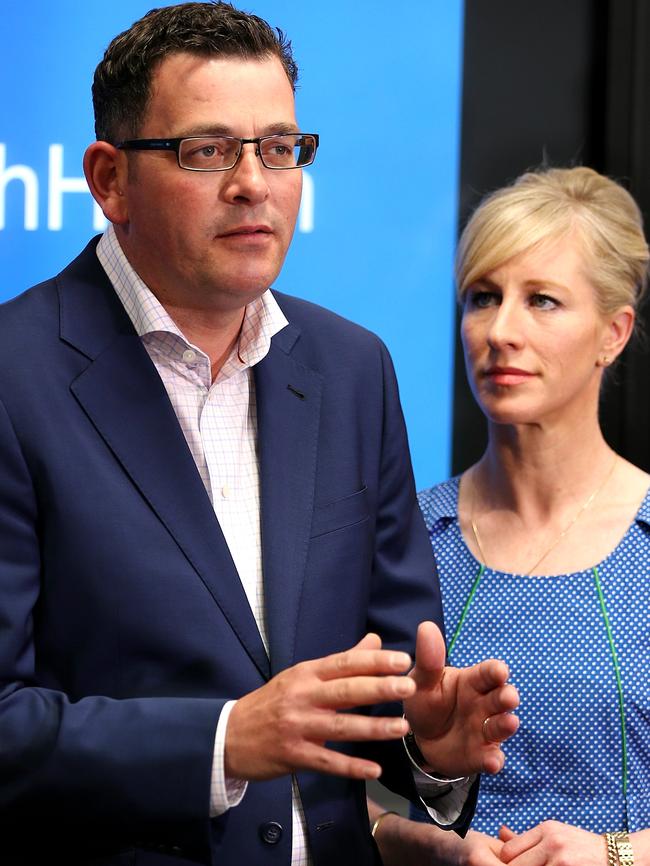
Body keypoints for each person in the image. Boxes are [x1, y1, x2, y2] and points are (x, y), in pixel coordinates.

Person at [0, 4, 519, 865]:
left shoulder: (354, 368)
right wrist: (224, 741)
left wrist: (428, 745)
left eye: (279, 148)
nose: (253, 183)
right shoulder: (17, 377)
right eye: (206, 151)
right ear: (108, 179)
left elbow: (386, 682)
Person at [369, 165, 650, 866]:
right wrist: (424, 847)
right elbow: (321, 791)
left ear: (613, 333)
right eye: (483, 298)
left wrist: (617, 855)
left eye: (543, 301)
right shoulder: (400, 540)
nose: (500, 331)